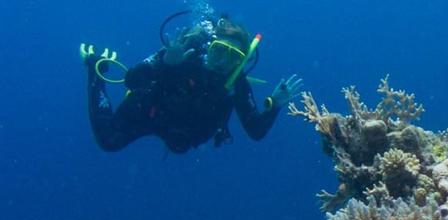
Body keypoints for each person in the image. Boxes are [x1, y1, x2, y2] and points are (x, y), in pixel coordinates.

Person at [82, 13, 302, 153]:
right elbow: (131, 80)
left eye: (232, 57)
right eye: (219, 51)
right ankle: (95, 71)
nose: (222, 63)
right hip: (152, 112)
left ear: (240, 61)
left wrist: (275, 105)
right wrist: (167, 63)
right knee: (108, 141)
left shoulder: (236, 82)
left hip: (185, 136)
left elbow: (255, 130)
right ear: (209, 47)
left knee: (177, 146)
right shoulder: (186, 53)